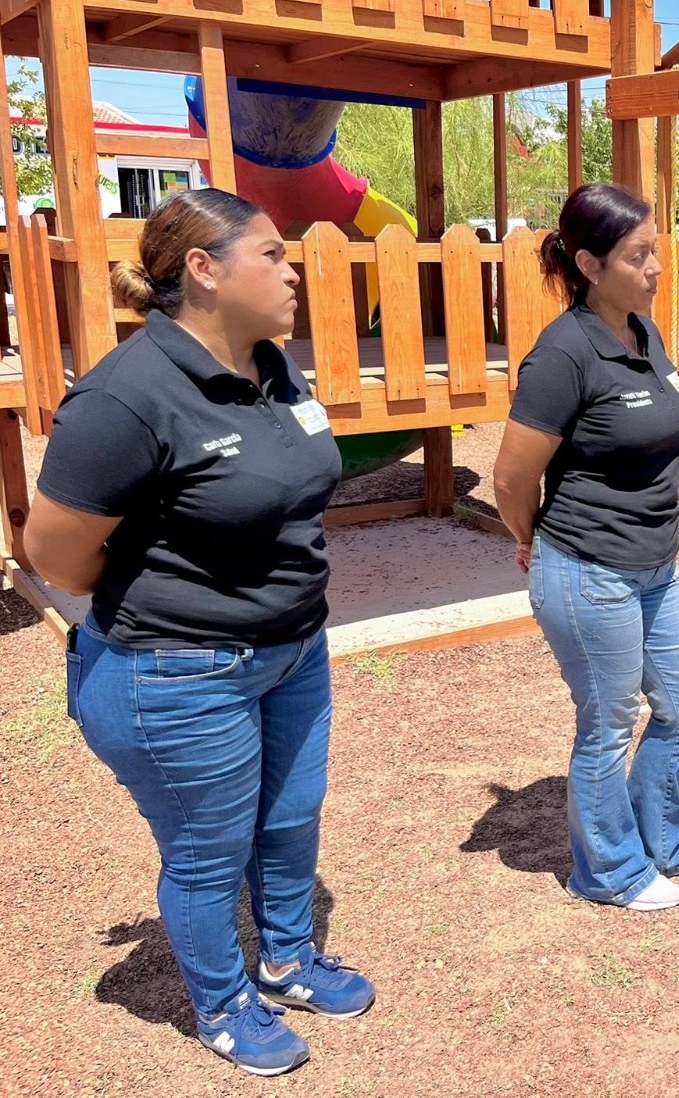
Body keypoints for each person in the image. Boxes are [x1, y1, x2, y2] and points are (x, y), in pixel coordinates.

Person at [25, 189, 374, 1076]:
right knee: (208, 851)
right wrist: (178, 598)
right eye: (272, 255)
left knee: (289, 818)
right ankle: (222, 1005)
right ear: (204, 270)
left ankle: (288, 960)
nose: (293, 272)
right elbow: (55, 554)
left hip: (294, 652)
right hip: (177, 673)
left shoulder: (271, 365)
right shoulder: (125, 397)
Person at [492, 183, 679, 913]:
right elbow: (511, 478)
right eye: (638, 255)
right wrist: (528, 538)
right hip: (588, 570)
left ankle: (662, 839)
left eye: (657, 251)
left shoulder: (644, 333)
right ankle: (609, 871)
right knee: (608, 725)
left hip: (656, 566)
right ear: (589, 265)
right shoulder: (563, 355)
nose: (657, 267)